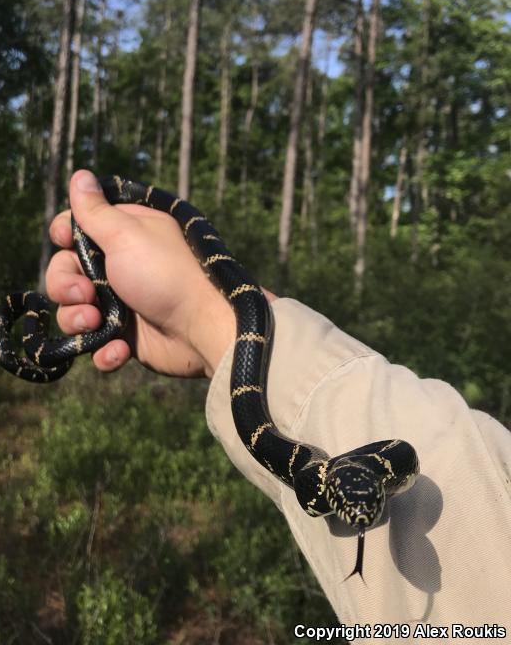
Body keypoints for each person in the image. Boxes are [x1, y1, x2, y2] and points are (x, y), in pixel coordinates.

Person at [46, 170, 511, 636]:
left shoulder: (381, 464)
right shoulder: (388, 462)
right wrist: (193, 313)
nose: (361, 523)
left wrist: (197, 319)